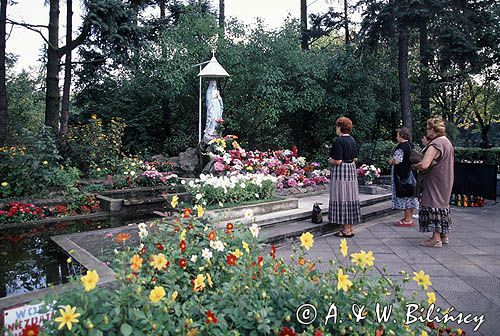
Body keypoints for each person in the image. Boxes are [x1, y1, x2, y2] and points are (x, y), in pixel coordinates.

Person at [413, 117, 454, 247]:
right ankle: (444, 235)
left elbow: (425, 165)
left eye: (427, 128)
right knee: (443, 205)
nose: (426, 131)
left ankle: (435, 239)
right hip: (446, 178)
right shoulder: (447, 142)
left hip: (434, 180)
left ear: (432, 129)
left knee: (432, 204)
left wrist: (416, 165)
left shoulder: (435, 144)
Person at [329, 117, 361, 238]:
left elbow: (337, 161)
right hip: (351, 172)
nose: (336, 129)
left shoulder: (339, 141)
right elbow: (355, 158)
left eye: (337, 126)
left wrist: (330, 160)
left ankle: (346, 230)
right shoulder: (352, 140)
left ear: (340, 127)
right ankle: (350, 228)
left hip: (341, 173)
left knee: (343, 197)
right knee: (350, 197)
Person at [389, 127, 419, 227]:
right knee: (411, 197)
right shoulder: (411, 145)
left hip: (402, 176)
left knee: (405, 197)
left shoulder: (401, 147)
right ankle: (409, 217)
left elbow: (397, 160)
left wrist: (391, 161)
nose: (396, 137)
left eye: (397, 135)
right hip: (412, 174)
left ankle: (407, 220)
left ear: (401, 135)